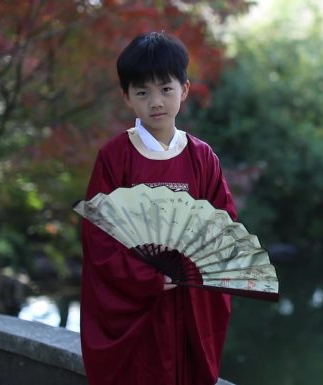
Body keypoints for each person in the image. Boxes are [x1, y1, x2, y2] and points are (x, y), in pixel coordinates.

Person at [79, 31, 237, 385]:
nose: (156, 102)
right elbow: (99, 240)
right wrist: (148, 277)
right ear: (126, 98)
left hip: (189, 300)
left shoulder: (202, 158)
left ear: (184, 88)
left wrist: (192, 266)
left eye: (165, 89)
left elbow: (223, 225)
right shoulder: (115, 157)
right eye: (142, 92)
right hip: (137, 304)